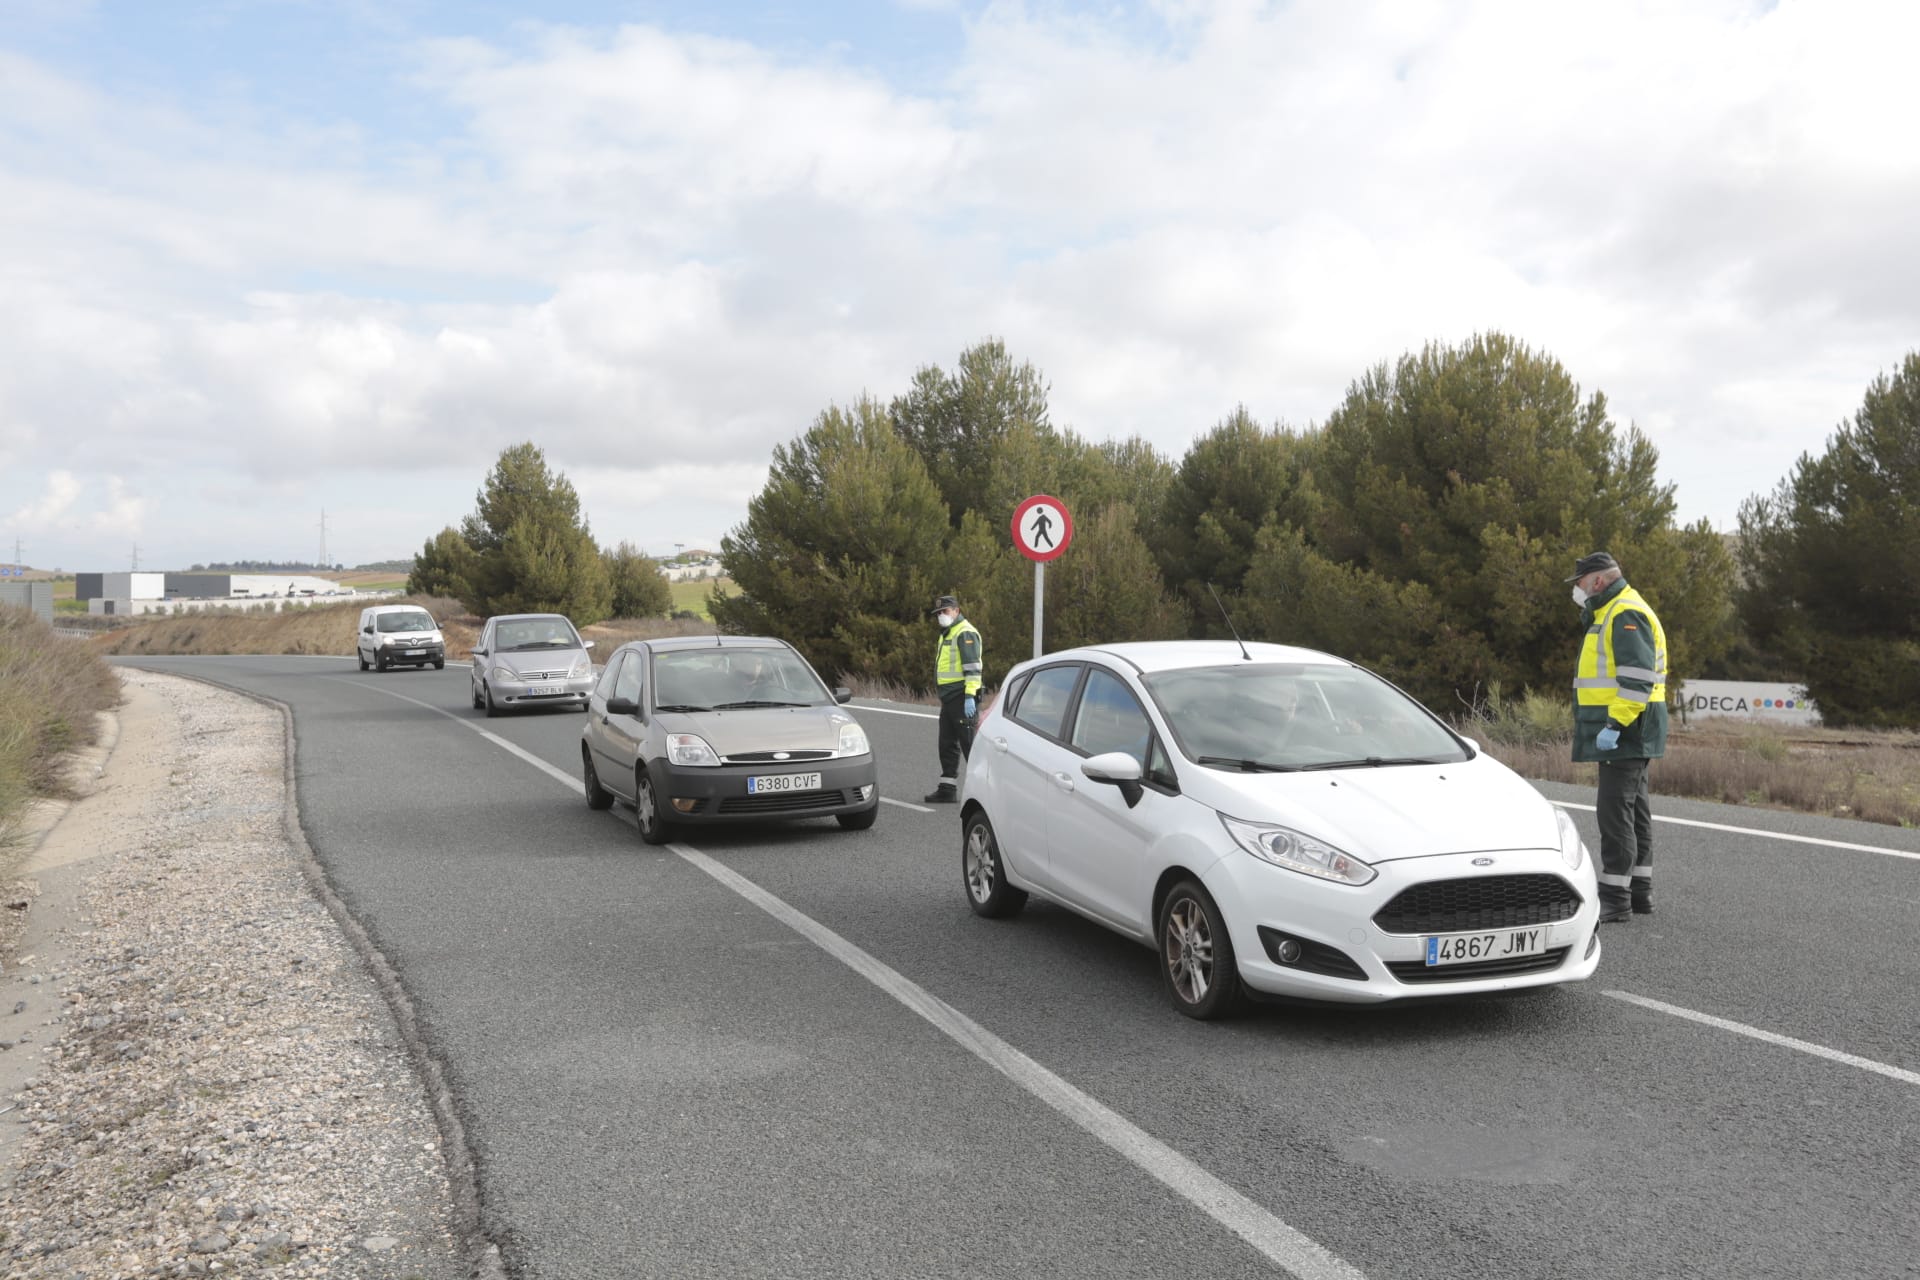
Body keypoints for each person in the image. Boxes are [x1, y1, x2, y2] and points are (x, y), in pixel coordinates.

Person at [1568, 551, 1669, 922]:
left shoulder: (1624, 612)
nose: (1577, 590)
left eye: (1579, 583)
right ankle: (1639, 891)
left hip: (1626, 727)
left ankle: (1614, 896)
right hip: (1632, 726)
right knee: (1634, 807)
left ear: (1597, 580)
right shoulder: (1615, 609)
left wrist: (1614, 725)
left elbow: (1637, 679)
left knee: (1614, 810)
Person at [924, 594, 984, 804]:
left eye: (945, 611)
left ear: (956, 610)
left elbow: (973, 669)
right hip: (949, 698)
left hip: (962, 698)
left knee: (970, 745)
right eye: (939, 613)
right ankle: (947, 789)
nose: (941, 615)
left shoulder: (965, 632)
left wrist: (970, 696)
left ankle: (985, 792)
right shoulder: (947, 632)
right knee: (947, 744)